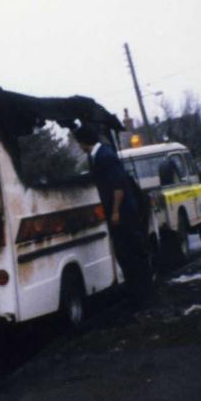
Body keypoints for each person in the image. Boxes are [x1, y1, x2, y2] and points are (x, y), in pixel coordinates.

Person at [73, 125, 153, 310]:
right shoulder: (99, 156)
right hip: (121, 211)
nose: (79, 147)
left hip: (123, 213)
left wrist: (116, 211)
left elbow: (118, 186)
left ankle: (142, 296)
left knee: (130, 253)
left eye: (79, 143)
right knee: (127, 254)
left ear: (84, 142)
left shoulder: (105, 156)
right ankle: (139, 295)